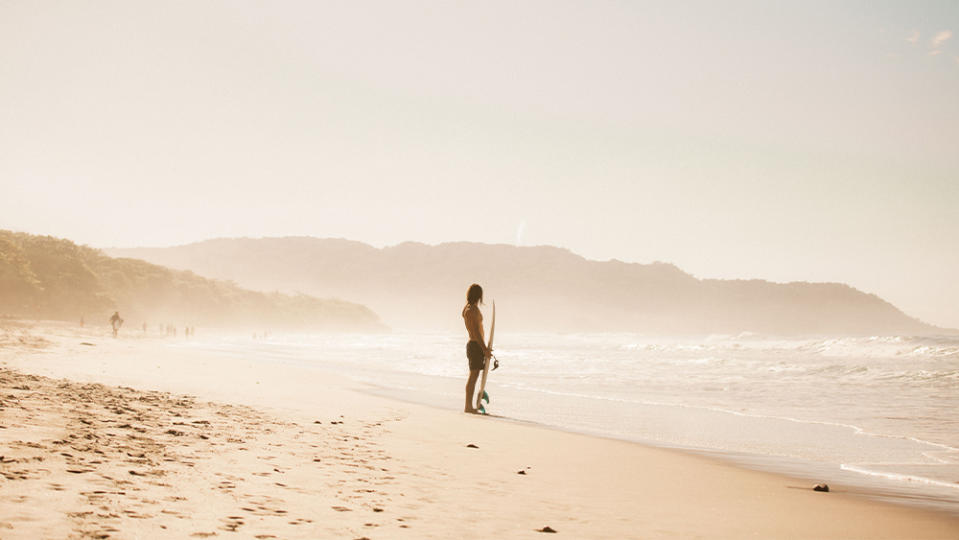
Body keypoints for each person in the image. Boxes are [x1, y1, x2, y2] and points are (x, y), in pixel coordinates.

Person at [462, 283, 491, 414]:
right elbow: (476, 333)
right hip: (475, 345)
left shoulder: (466, 309)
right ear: (478, 295)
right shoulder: (472, 310)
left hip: (474, 345)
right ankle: (468, 406)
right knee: (473, 376)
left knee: (474, 376)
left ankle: (470, 405)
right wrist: (484, 348)